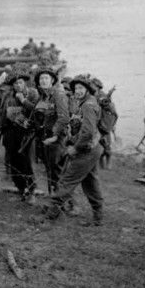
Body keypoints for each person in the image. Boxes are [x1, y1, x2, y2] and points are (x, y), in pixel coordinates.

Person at [47, 75, 104, 226]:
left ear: (87, 89)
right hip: (92, 149)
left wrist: (75, 148)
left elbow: (87, 133)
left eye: (81, 88)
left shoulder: (87, 105)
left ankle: (50, 216)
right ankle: (98, 218)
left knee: (66, 180)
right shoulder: (85, 103)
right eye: (76, 88)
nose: (77, 91)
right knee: (90, 183)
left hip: (86, 150)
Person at [0, 70, 39, 203]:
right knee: (14, 162)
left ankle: (32, 191)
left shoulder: (33, 93)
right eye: (15, 83)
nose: (18, 85)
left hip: (27, 133)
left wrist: (23, 101)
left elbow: (36, 111)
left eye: (20, 82)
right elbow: (2, 114)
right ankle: (21, 190)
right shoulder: (8, 96)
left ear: (25, 83)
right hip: (11, 132)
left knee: (27, 162)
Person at [33, 68, 70, 194]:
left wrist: (54, 136)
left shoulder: (58, 94)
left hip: (57, 137)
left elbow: (64, 118)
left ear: (52, 80)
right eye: (41, 78)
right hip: (45, 136)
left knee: (57, 169)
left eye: (46, 78)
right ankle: (55, 198)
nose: (43, 81)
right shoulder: (43, 96)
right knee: (50, 168)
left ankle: (67, 202)